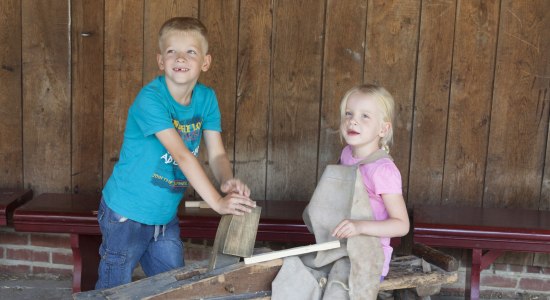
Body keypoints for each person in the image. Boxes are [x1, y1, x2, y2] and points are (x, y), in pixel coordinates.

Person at [95, 17, 256, 290]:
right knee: (114, 289)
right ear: (161, 61)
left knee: (175, 287)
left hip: (163, 216)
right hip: (127, 213)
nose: (180, 57)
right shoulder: (151, 99)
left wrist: (226, 182)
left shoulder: (206, 99)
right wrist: (217, 202)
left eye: (191, 52)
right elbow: (182, 155)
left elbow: (216, 153)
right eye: (172, 51)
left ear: (205, 62)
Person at [331, 83, 410, 280]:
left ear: (383, 129)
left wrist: (360, 226)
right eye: (348, 114)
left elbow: (401, 225)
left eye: (364, 116)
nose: (353, 121)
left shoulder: (383, 170)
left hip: (369, 259)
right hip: (341, 251)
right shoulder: (347, 154)